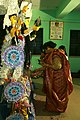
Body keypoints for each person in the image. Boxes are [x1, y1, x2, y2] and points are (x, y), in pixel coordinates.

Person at [31, 41, 73, 113]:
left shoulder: (55, 55)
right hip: (54, 77)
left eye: (45, 50)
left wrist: (45, 65)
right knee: (51, 92)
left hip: (58, 79)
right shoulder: (52, 54)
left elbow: (57, 66)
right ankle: (52, 107)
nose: (45, 52)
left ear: (48, 48)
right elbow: (48, 66)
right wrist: (37, 70)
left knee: (56, 94)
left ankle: (58, 108)